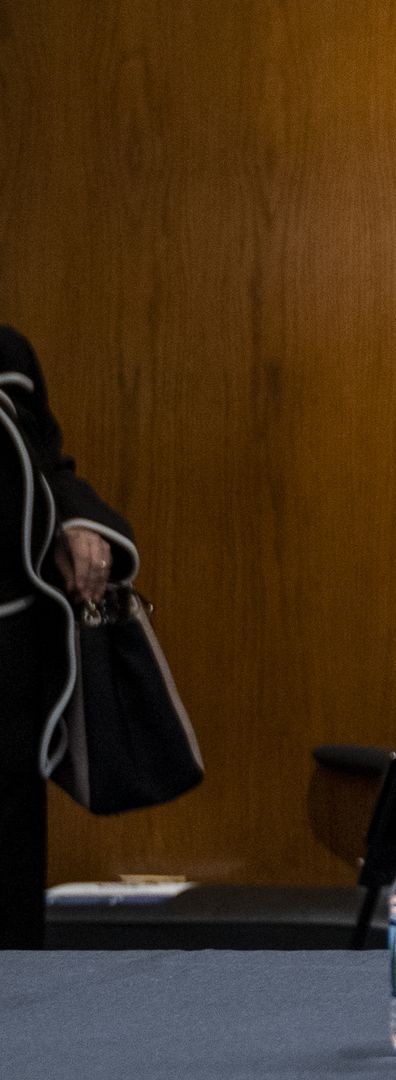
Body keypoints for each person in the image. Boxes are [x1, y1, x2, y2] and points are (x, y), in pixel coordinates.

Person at [1, 325, 135, 948]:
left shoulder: (9, 351)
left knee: (12, 860)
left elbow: (47, 462)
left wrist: (76, 521)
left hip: (11, 643)